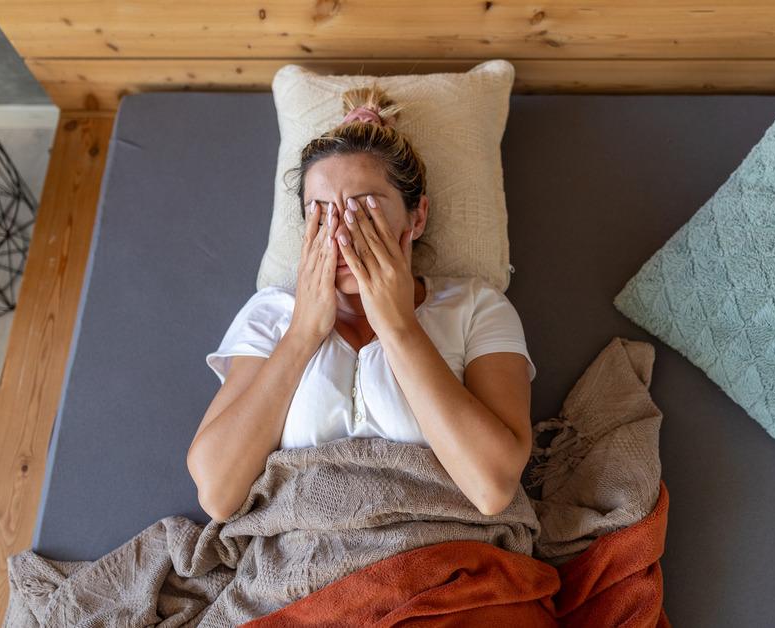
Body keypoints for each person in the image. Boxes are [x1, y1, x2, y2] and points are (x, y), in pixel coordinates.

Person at [187, 83, 536, 521]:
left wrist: (399, 329)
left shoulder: (476, 308)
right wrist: (302, 335)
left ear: (417, 216)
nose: (341, 234)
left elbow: (493, 488)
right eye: (322, 213)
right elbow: (217, 495)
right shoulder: (272, 313)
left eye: (363, 210)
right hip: (301, 567)